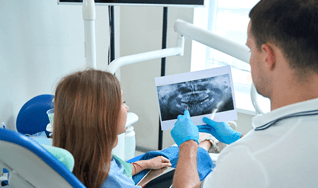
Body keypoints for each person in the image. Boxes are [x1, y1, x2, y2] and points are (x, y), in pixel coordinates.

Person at [171, 0, 318, 187]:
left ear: (267, 56)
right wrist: (238, 138)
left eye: (250, 50)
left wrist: (188, 146)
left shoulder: (247, 159)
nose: (249, 60)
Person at [52, 69, 215, 188]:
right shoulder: (111, 180)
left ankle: (204, 140)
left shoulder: (77, 159)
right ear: (104, 117)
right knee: (197, 159)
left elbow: (117, 170)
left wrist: (146, 164)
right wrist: (189, 143)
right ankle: (206, 141)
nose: (127, 108)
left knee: (158, 156)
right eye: (123, 102)